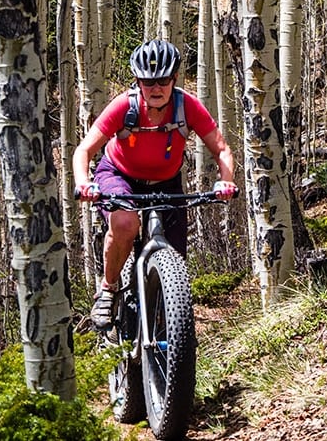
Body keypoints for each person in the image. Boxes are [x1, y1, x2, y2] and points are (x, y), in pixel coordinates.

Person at [73, 39, 237, 329]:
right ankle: (109, 290)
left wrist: (225, 181)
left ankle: (165, 337)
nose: (156, 88)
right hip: (119, 176)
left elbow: (221, 149)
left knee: (176, 262)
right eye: (148, 82)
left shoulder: (187, 106)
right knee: (125, 224)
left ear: (174, 78)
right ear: (138, 82)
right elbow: (83, 150)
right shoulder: (125, 106)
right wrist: (84, 182)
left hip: (166, 182)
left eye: (163, 80)